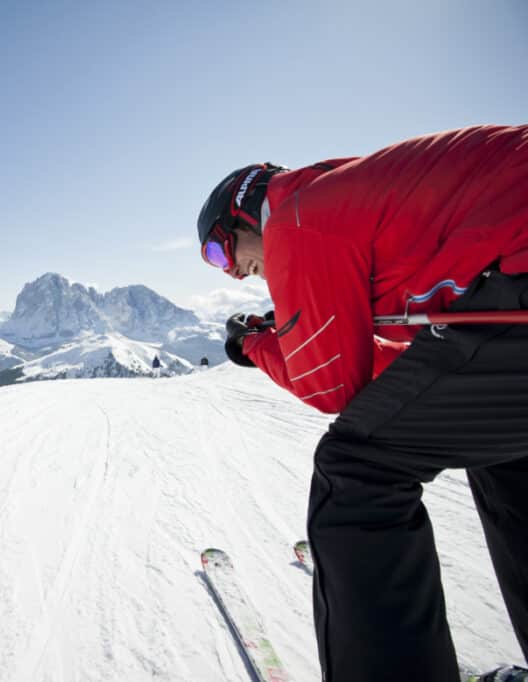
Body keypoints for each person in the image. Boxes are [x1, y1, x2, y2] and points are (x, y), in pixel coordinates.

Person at [196, 125, 528, 681]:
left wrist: (252, 344)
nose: (228, 270)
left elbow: (331, 388)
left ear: (243, 214)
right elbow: (413, 369)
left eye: (216, 249)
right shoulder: (353, 198)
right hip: (510, 294)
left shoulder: (296, 217)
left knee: (355, 472)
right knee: (502, 447)